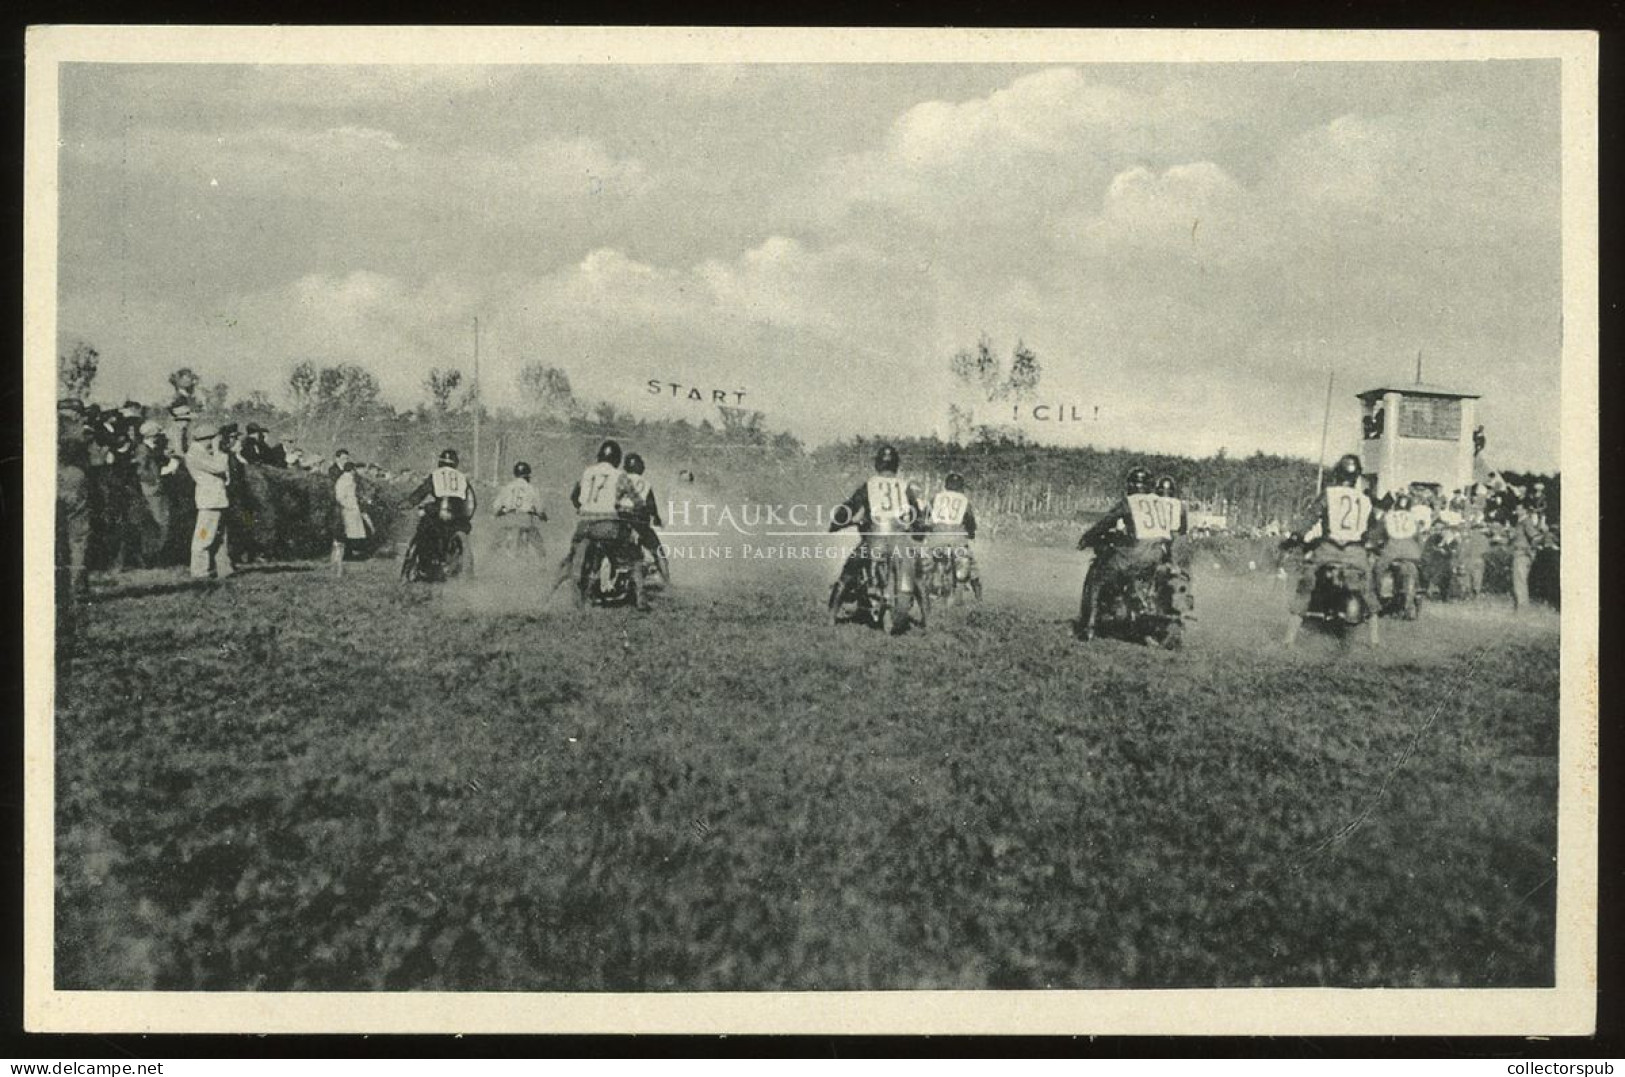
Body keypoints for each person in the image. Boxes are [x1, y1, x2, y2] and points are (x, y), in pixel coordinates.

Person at [1283, 453, 1380, 646]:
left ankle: (1289, 639)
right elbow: (1372, 528)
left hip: (1328, 548)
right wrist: (1369, 542)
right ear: (1357, 476)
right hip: (1355, 551)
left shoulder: (1329, 493)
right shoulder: (1366, 499)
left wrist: (1297, 535)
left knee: (1307, 582)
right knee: (1368, 587)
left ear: (1337, 473)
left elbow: (1311, 517)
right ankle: (1375, 640)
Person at [1075, 466, 1176, 641]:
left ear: (1131, 485)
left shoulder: (1130, 502)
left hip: (1134, 554)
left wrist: (1086, 538)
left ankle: (1088, 627)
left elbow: (1106, 521)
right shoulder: (1160, 502)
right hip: (1156, 555)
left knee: (1098, 576)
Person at [827, 444, 928, 608]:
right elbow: (916, 514)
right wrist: (918, 532)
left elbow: (849, 507)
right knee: (918, 578)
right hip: (900, 541)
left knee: (848, 573)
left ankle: (831, 616)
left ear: (878, 464)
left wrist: (835, 524)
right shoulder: (904, 486)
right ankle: (927, 619)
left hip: (875, 539)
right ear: (896, 464)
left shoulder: (870, 485)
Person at [555, 439, 642, 606]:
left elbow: (575, 496)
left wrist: (584, 508)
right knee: (634, 555)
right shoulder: (620, 475)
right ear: (617, 459)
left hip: (585, 524)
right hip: (608, 526)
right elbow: (638, 502)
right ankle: (641, 599)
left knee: (571, 557)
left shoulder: (587, 473)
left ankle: (549, 591)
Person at [402, 448, 478, 577]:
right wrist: (468, 516)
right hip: (458, 514)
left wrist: (408, 503)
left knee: (423, 531)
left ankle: (424, 564)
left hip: (439, 511)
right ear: (455, 463)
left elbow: (421, 492)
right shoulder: (463, 478)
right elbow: (471, 500)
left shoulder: (436, 475)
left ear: (440, 462)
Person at [56, 399, 94, 651]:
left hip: (46, 477)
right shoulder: (77, 426)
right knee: (78, 540)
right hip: (73, 479)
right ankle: (76, 584)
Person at [184, 422, 233, 580]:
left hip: (216, 501)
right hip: (209, 502)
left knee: (219, 537)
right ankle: (200, 572)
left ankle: (223, 569)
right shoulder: (196, 454)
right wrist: (220, 451)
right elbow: (220, 467)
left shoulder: (203, 452)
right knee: (204, 536)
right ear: (207, 439)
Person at [925, 471, 981, 601]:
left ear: (946, 485)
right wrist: (971, 533)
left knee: (924, 565)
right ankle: (978, 596)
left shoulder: (936, 498)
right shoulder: (964, 501)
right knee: (972, 567)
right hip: (957, 540)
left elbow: (924, 515)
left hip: (936, 539)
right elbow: (970, 521)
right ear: (961, 487)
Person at [621, 453, 671, 586]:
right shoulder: (645, 483)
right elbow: (651, 506)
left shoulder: (619, 479)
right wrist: (656, 519)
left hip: (619, 521)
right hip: (638, 523)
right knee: (658, 552)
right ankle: (667, 581)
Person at [1373, 491, 1423, 616]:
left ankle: (1377, 598)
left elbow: (1377, 534)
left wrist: (1373, 542)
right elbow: (1419, 538)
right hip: (1412, 552)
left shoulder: (1388, 517)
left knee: (1377, 569)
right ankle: (1417, 593)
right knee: (1418, 570)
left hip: (1392, 550)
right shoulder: (1414, 520)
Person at [494, 461, 549, 560]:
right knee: (540, 547)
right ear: (528, 475)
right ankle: (543, 564)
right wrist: (543, 516)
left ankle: (489, 561)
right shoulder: (531, 488)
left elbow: (496, 506)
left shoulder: (508, 487)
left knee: (496, 544)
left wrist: (499, 512)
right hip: (526, 520)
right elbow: (540, 509)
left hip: (510, 519)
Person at [330, 458, 369, 576]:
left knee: (346, 537)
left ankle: (339, 564)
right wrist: (349, 506)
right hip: (347, 511)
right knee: (343, 537)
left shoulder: (347, 479)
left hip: (350, 509)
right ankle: (337, 564)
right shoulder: (345, 480)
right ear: (352, 470)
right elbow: (340, 497)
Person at [1508, 502, 1549, 612]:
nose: (1516, 511)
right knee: (1518, 581)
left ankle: (1522, 608)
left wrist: (1530, 551)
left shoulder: (1526, 522)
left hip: (1522, 555)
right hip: (1519, 554)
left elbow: (1535, 537)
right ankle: (1520, 607)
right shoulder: (1520, 522)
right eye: (1516, 508)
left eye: (1519, 509)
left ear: (1525, 511)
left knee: (1520, 581)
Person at [1155, 474, 1192, 573]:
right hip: (1175, 536)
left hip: (1157, 535)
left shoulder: (1154, 502)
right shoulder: (1180, 504)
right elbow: (1184, 528)